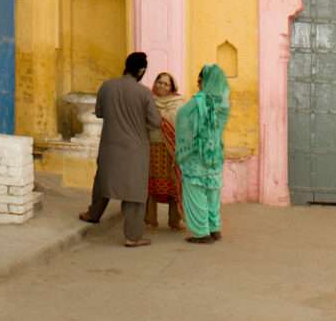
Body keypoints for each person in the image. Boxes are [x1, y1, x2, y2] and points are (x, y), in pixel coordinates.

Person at [79, 51, 160, 247]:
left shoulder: (107, 86)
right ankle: (133, 236)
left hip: (109, 145)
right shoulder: (144, 93)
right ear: (141, 70)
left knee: (103, 181)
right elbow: (155, 122)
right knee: (134, 193)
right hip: (135, 150)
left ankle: (93, 214)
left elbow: (99, 113)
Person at [174, 63, 230, 244]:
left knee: (195, 191)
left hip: (196, 155)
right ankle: (214, 229)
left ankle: (201, 233)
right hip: (214, 155)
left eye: (200, 80)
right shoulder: (223, 103)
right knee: (212, 191)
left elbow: (181, 116)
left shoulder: (198, 101)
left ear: (203, 81)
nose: (198, 83)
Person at [146, 70, 184, 231]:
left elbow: (178, 120)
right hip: (151, 147)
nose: (162, 86)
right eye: (159, 82)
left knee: (173, 183)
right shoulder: (148, 99)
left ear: (171, 87)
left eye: (166, 83)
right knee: (150, 183)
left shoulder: (178, 102)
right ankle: (150, 220)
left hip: (171, 148)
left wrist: (158, 116)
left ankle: (174, 221)